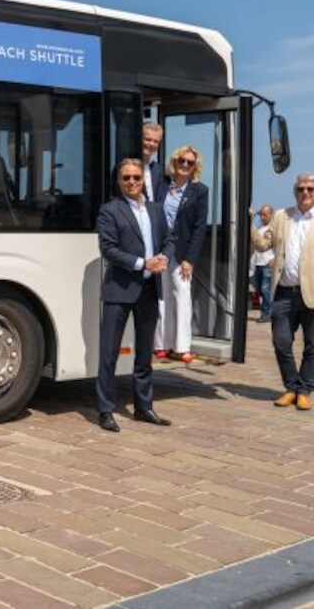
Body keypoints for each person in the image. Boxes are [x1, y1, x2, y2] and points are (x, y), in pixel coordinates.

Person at [250, 173, 314, 411]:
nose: (305, 193)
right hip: (284, 292)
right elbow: (262, 244)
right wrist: (248, 221)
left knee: (312, 345)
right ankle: (291, 386)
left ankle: (304, 390)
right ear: (295, 192)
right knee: (281, 342)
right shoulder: (282, 217)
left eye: (310, 189)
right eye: (301, 189)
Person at [94, 158, 176, 433]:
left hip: (149, 290)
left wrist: (164, 258)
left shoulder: (155, 209)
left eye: (136, 178)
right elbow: (108, 249)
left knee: (144, 356)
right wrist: (144, 264)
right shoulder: (110, 210)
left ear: (143, 181)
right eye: (126, 178)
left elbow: (169, 239)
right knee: (109, 355)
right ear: (119, 181)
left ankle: (144, 407)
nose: (131, 182)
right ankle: (106, 410)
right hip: (119, 290)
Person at [153, 145, 209, 363]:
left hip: (182, 252)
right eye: (181, 160)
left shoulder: (200, 191)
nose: (185, 165)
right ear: (174, 162)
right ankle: (162, 344)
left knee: (182, 296)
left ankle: (182, 346)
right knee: (163, 296)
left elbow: (199, 228)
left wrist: (190, 259)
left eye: (190, 162)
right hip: (160, 248)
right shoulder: (162, 185)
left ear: (195, 166)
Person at [250, 204, 275, 322]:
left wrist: (275, 259)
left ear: (271, 214)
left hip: (267, 264)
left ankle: (266, 314)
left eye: (265, 215)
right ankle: (269, 310)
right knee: (260, 290)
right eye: (261, 215)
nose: (262, 217)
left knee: (265, 289)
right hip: (258, 263)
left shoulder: (274, 229)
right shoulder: (260, 230)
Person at [141, 123, 164, 202]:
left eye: (156, 141)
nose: (151, 144)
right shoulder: (127, 167)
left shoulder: (159, 170)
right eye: (148, 139)